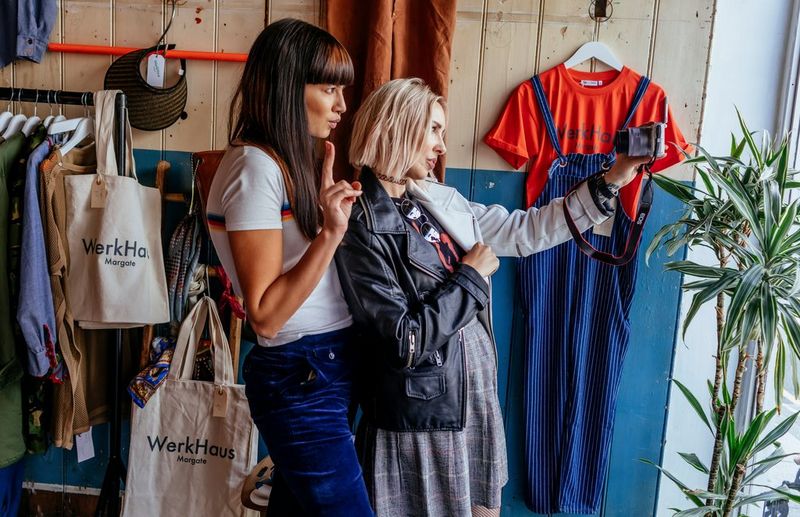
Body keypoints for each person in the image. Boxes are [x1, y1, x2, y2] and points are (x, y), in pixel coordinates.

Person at [335, 78, 649, 517]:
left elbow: (526, 230)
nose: (442, 147)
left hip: (472, 400)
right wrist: (470, 278)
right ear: (400, 127)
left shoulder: (433, 199)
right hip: (423, 420)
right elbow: (402, 341)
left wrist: (613, 180)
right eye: (434, 130)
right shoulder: (360, 222)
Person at [205, 18, 372, 516]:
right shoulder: (253, 169)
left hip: (326, 364)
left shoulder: (283, 162)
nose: (342, 105)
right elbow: (265, 315)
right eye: (328, 89)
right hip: (301, 374)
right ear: (285, 87)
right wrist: (330, 233)